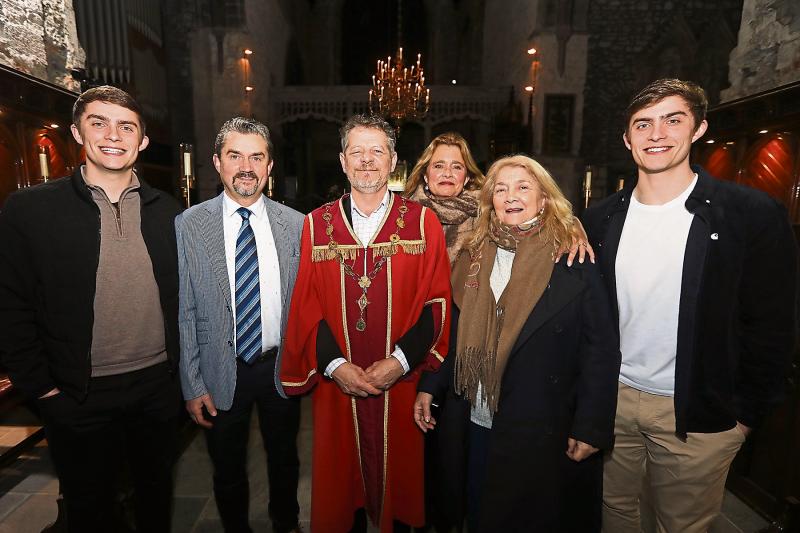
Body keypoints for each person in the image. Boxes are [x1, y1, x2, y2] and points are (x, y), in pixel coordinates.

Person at [581, 78, 797, 533]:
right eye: (643, 124)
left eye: (672, 120)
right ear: (627, 139)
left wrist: (744, 416)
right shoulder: (599, 219)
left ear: (698, 128)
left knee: (681, 525)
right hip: (613, 401)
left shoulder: (748, 214)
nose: (656, 134)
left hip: (699, 411)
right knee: (614, 513)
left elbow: (773, 325)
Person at [0, 86, 182, 532]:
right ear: (77, 132)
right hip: (77, 392)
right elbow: (9, 303)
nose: (112, 135)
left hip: (157, 388)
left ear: (141, 141)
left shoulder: (170, 212)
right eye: (98, 123)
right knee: (89, 509)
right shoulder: (30, 210)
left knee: (154, 500)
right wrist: (42, 389)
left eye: (126, 126)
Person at [415, 154, 621, 532]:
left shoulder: (573, 257)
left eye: (523, 187)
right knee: (478, 511)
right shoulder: (470, 255)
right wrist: (430, 386)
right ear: (489, 199)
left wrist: (591, 425)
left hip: (541, 423)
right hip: (474, 416)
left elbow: (601, 350)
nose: (512, 196)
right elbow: (452, 331)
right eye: (501, 188)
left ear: (544, 199)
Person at [280, 114, 452, 532]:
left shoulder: (421, 222)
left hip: (402, 382)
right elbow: (306, 307)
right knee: (344, 494)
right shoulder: (316, 225)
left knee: (402, 491)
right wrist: (337, 367)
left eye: (377, 151)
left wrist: (399, 362)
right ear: (342, 161)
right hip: (339, 389)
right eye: (356, 151)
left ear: (394, 161)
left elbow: (438, 303)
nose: (367, 161)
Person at [176, 117, 304, 533]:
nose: (246, 166)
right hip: (218, 368)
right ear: (217, 162)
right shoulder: (189, 225)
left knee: (285, 460)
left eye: (256, 157)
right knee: (227, 467)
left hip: (279, 368)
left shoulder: (298, 225)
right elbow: (186, 309)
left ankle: (285, 524)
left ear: (270, 166)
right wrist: (192, 382)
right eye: (235, 156)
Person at [404, 132, 484, 263]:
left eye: (457, 167)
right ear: (425, 175)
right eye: (438, 166)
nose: (447, 173)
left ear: (466, 178)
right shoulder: (405, 215)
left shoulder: (484, 216)